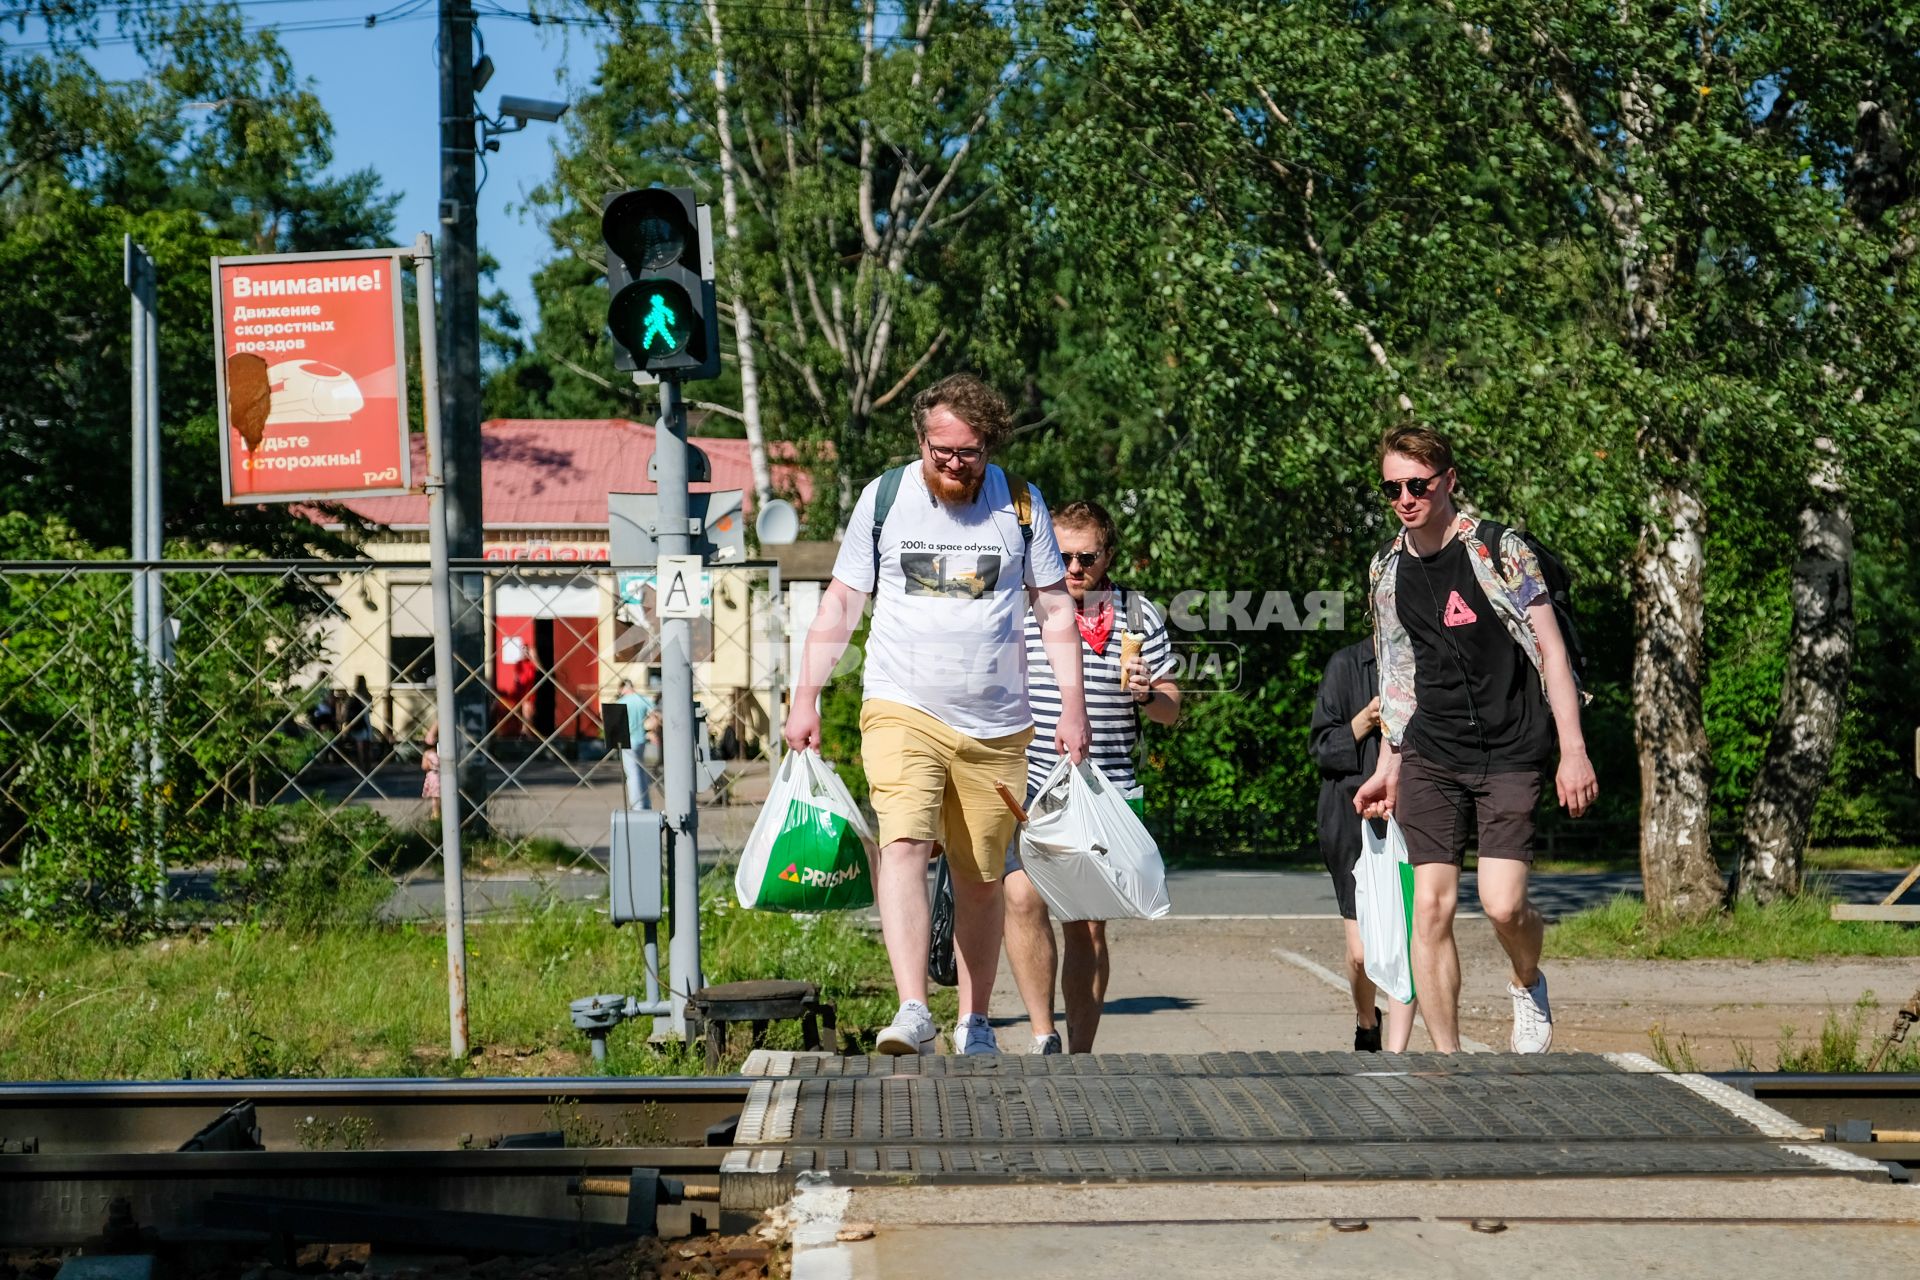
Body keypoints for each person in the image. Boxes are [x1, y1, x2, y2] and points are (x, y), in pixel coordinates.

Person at [784, 372, 1090, 1056]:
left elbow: (1054, 610)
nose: (953, 464)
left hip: (997, 722)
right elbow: (839, 603)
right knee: (903, 846)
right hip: (901, 706)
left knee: (980, 878)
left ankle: (974, 1020)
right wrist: (805, 694)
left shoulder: (1020, 504)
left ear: (990, 445)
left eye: (968, 453)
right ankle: (914, 1007)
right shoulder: (885, 498)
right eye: (940, 450)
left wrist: (1072, 708)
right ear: (921, 439)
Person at [1353, 425, 1598, 1054]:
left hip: (1512, 747)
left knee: (1502, 905)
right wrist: (1389, 763)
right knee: (1428, 910)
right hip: (1432, 751)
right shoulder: (1386, 569)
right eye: (1392, 488)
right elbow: (1397, 674)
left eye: (1418, 485)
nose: (1405, 498)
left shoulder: (1497, 551)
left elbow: (1551, 651)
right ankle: (1449, 1064)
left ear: (1448, 481)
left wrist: (1573, 750)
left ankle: (1527, 980)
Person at [1003, 500, 1180, 1054]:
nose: (1075, 569)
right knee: (1022, 900)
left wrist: (1149, 692)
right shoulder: (1026, 606)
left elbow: (1172, 708)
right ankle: (1041, 1034)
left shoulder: (1136, 614)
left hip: (1108, 788)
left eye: (1087, 557)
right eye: (1063, 555)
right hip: (1034, 782)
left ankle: (1080, 1052)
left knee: (1086, 925)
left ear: (1109, 556)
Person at [1310, 639, 1417, 1051]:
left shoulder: (1429, 658)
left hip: (1410, 814)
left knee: (1404, 941)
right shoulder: (1345, 664)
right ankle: (1367, 1019)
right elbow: (1321, 750)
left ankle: (1396, 1055)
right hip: (1350, 818)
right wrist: (1366, 720)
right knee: (1361, 954)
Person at [616, 678, 656, 810]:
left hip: (626, 740)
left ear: (622, 688)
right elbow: (654, 716)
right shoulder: (643, 700)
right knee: (640, 771)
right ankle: (645, 803)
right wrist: (650, 731)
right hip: (641, 739)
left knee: (632, 774)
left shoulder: (621, 702)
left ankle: (637, 805)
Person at [420, 723, 442, 823]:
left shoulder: (427, 754)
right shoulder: (440, 752)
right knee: (440, 795)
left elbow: (424, 766)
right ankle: (439, 812)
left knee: (435, 797)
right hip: (441, 774)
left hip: (433, 775)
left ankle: (435, 813)